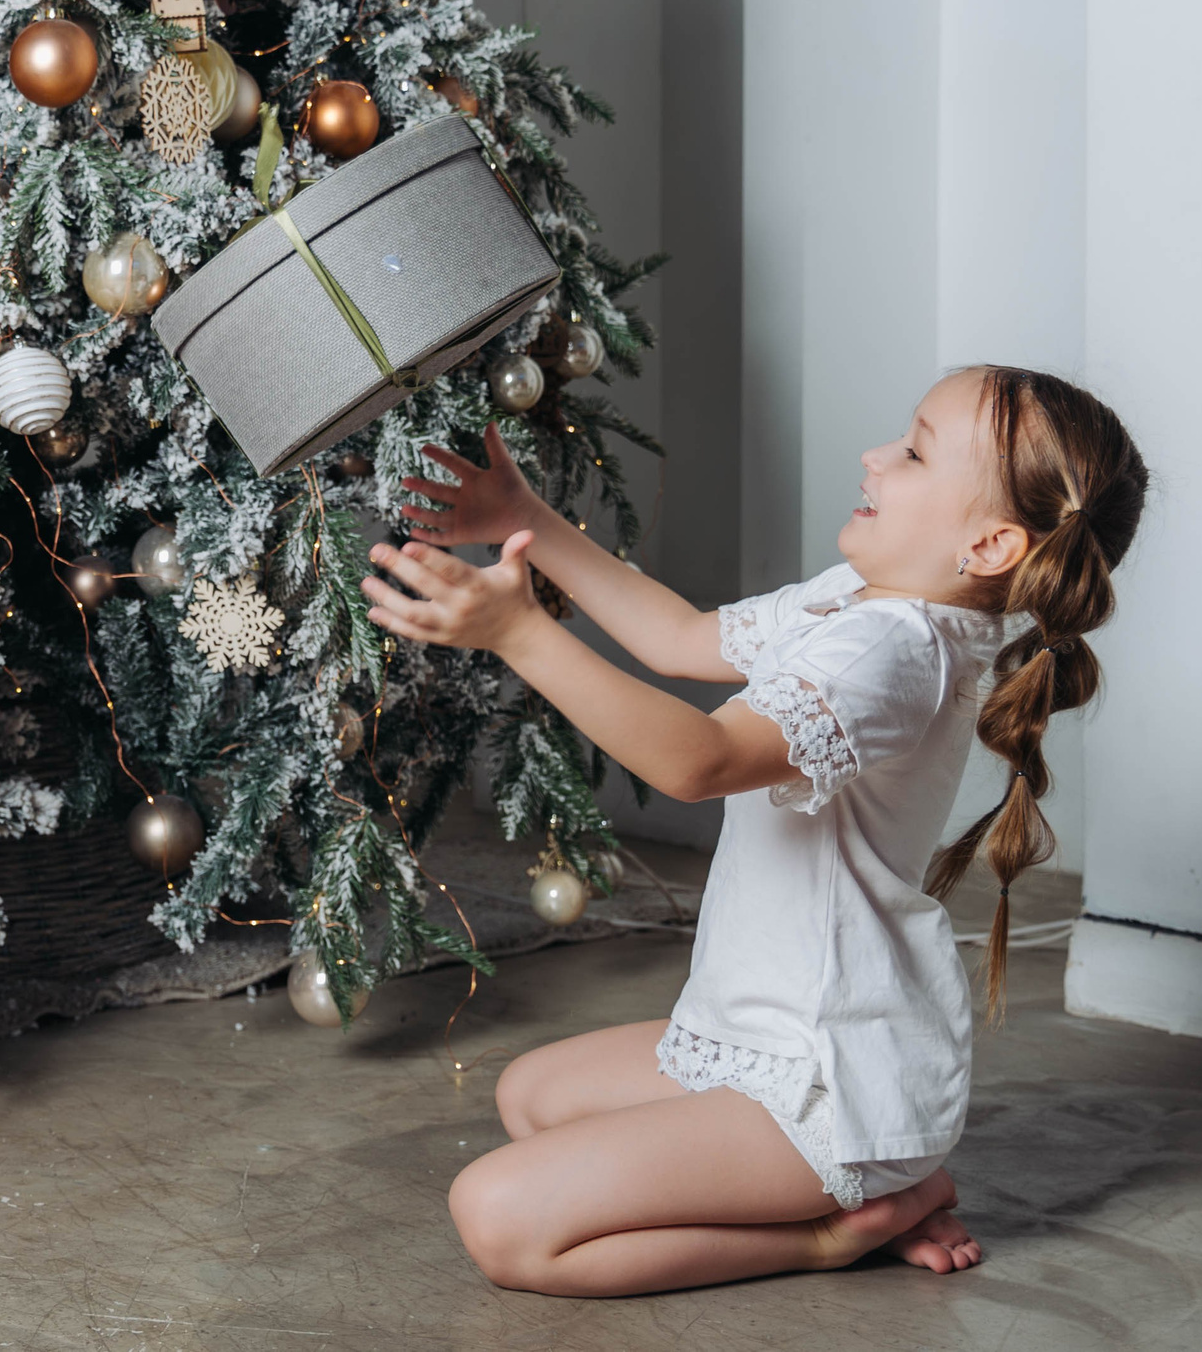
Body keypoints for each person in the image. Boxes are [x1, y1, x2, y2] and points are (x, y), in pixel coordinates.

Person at [361, 366, 1146, 1297]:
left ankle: (838, 1228)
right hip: (758, 1031)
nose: (876, 455)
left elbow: (698, 761)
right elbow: (680, 638)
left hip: (829, 1080)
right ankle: (871, 1190)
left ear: (989, 542)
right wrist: (526, 512)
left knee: (502, 1223)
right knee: (528, 1096)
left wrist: (521, 634)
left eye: (915, 450)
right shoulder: (860, 600)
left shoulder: (895, 652)